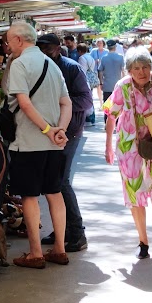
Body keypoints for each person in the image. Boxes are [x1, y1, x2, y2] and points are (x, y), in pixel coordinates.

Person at [2, 20, 71, 268]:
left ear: (19, 40)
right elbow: (67, 103)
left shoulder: (20, 64)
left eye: (9, 41)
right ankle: (60, 249)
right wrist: (59, 130)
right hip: (54, 145)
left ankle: (35, 253)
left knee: (30, 196)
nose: (7, 46)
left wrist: (46, 130)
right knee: (54, 193)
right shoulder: (52, 64)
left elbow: (24, 103)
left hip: (29, 142)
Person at [104, 45, 152, 258]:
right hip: (129, 145)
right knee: (134, 191)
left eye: (145, 67)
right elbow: (111, 115)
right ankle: (143, 241)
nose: (141, 72)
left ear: (150, 67)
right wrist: (108, 145)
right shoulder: (122, 86)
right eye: (136, 68)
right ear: (128, 70)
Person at [36, 31, 91, 253]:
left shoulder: (71, 68)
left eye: (47, 48)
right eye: (39, 48)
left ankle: (77, 233)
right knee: (53, 182)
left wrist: (60, 104)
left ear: (58, 48)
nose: (42, 52)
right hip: (49, 131)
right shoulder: (39, 66)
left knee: (61, 181)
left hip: (69, 131)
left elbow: (86, 100)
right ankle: (63, 230)